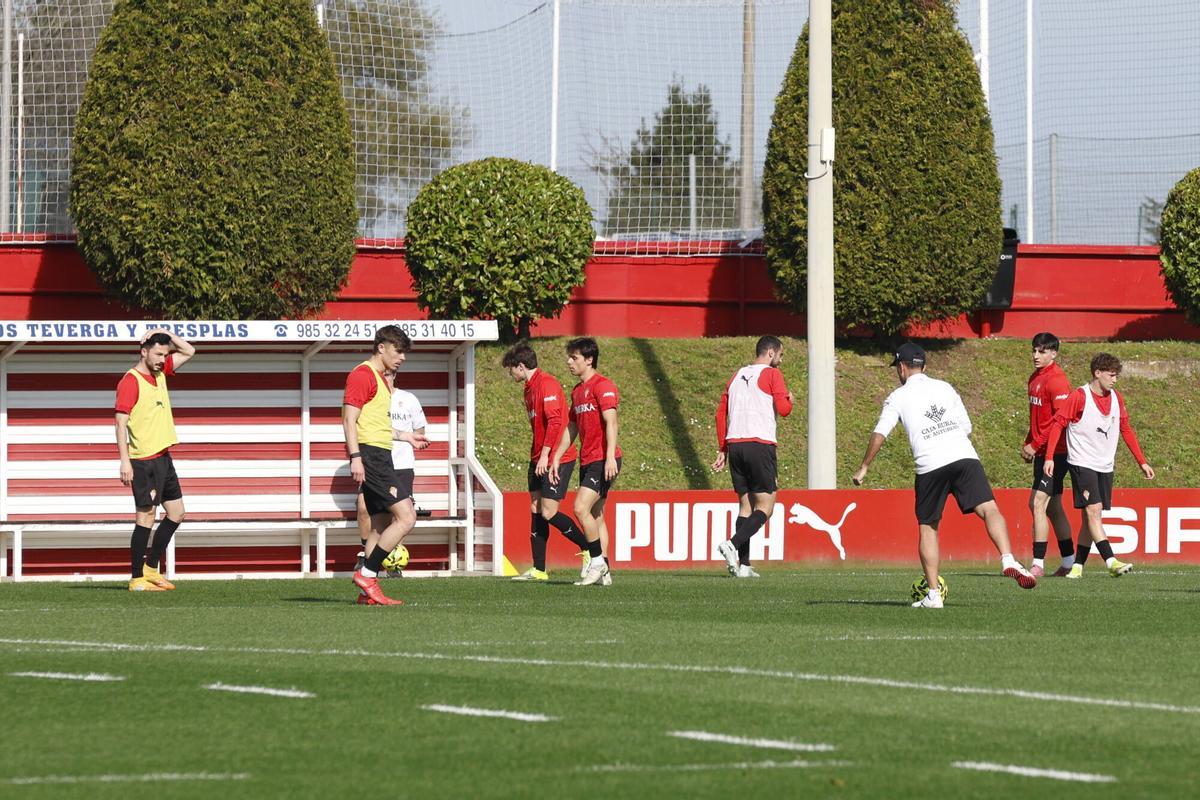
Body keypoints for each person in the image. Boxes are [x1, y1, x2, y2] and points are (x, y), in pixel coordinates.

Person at [852, 343, 1036, 608]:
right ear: (924, 367)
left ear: (902, 368)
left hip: (930, 464)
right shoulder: (945, 387)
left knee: (929, 526)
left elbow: (881, 432)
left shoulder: (898, 396)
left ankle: (934, 594)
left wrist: (865, 466)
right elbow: (967, 427)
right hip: (963, 455)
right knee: (989, 508)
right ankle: (1008, 558)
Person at [1043, 352, 1154, 579]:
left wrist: (1141, 461)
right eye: (1111, 375)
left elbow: (1126, 429)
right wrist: (1049, 457)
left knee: (1089, 517)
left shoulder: (1116, 398)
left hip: (1105, 465)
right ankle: (1111, 561)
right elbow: (1058, 425)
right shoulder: (1079, 396)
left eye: (1116, 376)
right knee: (1093, 512)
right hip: (1082, 463)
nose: (1115, 380)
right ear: (1098, 373)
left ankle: (1077, 566)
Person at [342, 325, 419, 605]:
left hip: (381, 454)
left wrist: (405, 436)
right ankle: (368, 573)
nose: (402, 358)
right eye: (398, 351)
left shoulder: (382, 380)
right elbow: (349, 420)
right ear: (381, 347)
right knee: (407, 517)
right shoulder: (362, 375)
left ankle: (367, 593)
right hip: (371, 457)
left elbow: (377, 425)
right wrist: (356, 457)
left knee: (380, 525)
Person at [115, 328, 196, 592]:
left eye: (165, 354)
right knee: (146, 517)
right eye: (158, 353)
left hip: (163, 458)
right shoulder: (131, 380)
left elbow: (189, 350)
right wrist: (124, 461)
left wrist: (163, 331)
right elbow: (120, 424)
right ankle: (136, 578)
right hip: (143, 461)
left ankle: (151, 568)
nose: (163, 358)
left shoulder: (161, 373)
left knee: (177, 513)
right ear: (144, 351)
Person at [502, 342, 591, 581]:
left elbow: (555, 423)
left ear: (521, 366)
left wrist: (545, 456)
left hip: (555, 459)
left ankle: (590, 551)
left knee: (549, 512)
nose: (510, 374)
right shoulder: (528, 389)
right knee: (535, 509)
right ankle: (539, 569)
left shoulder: (547, 384)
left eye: (511, 368)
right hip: (538, 457)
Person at [713, 335, 794, 578]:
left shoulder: (737, 375)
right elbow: (784, 410)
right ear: (770, 353)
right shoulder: (772, 375)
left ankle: (744, 566)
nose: (780, 360)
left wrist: (722, 448)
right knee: (766, 507)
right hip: (759, 444)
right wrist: (790, 399)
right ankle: (732, 544)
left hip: (735, 444)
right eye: (780, 355)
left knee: (745, 505)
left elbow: (720, 413)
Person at [551, 337, 620, 587]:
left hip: (603, 459)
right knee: (596, 514)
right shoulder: (578, 391)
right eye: (569, 357)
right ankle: (606, 571)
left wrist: (610, 455)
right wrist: (557, 456)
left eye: (574, 357)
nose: (569, 362)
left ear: (589, 360)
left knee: (580, 508)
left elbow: (611, 422)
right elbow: (571, 427)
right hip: (589, 458)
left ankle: (597, 562)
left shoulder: (603, 386)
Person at [354, 366, 429, 586]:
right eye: (383, 374)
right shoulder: (372, 397)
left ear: (395, 376)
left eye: (390, 374)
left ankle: (384, 568)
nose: (386, 377)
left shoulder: (408, 399)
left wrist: (409, 437)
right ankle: (369, 568)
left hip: (401, 466)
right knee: (388, 516)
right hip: (376, 464)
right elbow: (354, 423)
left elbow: (419, 430)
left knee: (393, 519)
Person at [1021, 332, 1076, 577]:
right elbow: (1038, 418)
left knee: (1037, 503)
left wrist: (1038, 444)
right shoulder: (1035, 378)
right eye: (1034, 350)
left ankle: (1038, 565)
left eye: (1042, 351)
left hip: (1058, 453)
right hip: (1043, 451)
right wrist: (1029, 442)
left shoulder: (1057, 380)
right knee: (1053, 507)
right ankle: (1068, 562)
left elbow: (1059, 421)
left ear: (1054, 353)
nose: (1036, 355)